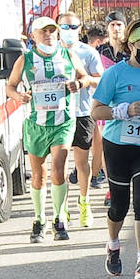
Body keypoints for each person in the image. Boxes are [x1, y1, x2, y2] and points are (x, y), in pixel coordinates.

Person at [92, 19, 140, 279]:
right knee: (119, 206)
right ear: (131, 45)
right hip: (118, 147)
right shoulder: (115, 73)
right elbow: (96, 110)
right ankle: (113, 245)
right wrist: (122, 110)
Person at [8, 15, 84, 243]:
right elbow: (10, 86)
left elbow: (87, 77)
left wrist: (79, 83)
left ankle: (59, 219)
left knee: (58, 170)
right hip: (36, 122)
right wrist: (18, 95)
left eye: (52, 30)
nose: (48, 35)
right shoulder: (26, 60)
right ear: (34, 36)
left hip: (63, 121)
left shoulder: (69, 55)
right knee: (38, 175)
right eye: (43, 31)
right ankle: (39, 219)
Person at [57, 11, 104, 227]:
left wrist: (83, 82)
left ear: (80, 29)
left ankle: (84, 203)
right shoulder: (50, 53)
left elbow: (100, 80)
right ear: (57, 28)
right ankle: (62, 207)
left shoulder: (88, 52)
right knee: (60, 163)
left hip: (83, 111)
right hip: (57, 114)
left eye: (73, 27)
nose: (68, 31)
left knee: (81, 163)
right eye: (64, 27)